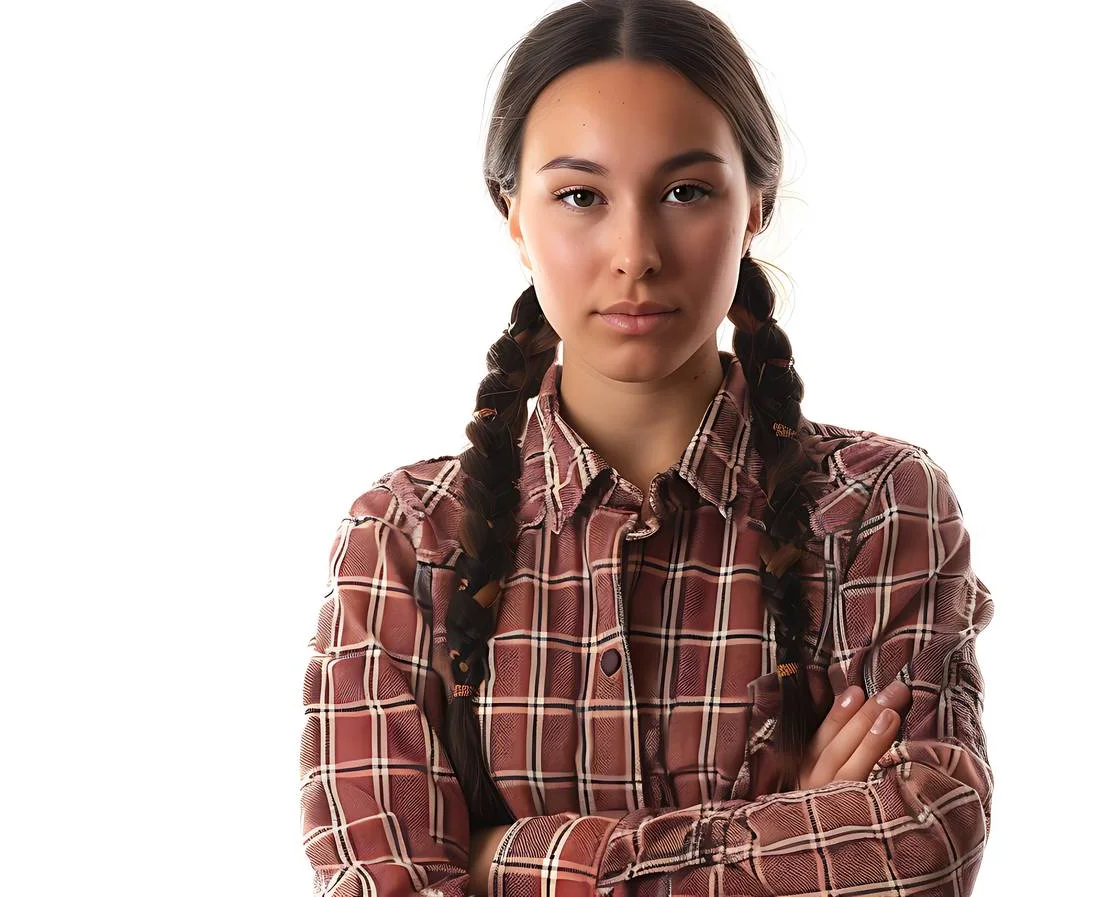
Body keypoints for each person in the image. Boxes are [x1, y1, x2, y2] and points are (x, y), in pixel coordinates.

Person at [298, 2, 995, 894]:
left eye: (686, 192)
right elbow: (385, 881)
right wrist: (795, 838)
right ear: (514, 216)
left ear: (756, 208)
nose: (635, 253)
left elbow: (921, 846)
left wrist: (498, 855)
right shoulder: (403, 537)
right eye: (581, 196)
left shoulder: (878, 502)